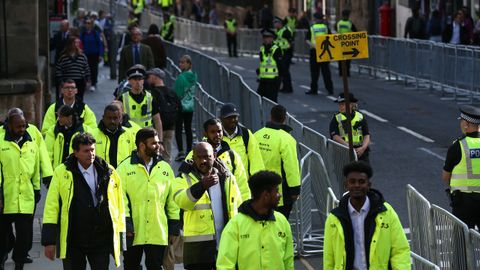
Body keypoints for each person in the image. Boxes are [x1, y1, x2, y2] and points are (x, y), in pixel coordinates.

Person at [41, 133, 126, 269]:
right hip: (74, 239)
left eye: (92, 150)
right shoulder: (62, 172)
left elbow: (119, 206)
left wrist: (121, 239)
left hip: (100, 238)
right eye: (86, 151)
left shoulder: (108, 171)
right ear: (75, 152)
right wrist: (49, 241)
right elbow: (52, 206)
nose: (91, 154)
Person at [323, 161, 411, 269]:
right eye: (352, 181)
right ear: (346, 185)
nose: (357, 185)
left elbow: (400, 250)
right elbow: (329, 257)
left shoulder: (387, 212)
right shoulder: (334, 219)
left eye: (361, 182)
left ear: (368, 185)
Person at [117, 128, 179, 270]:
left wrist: (174, 226)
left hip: (158, 230)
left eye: (158, 143)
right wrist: (126, 224)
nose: (158, 146)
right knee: (131, 266)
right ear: (142, 145)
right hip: (133, 232)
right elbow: (120, 199)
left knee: (155, 266)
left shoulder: (165, 168)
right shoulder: (124, 168)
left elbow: (172, 200)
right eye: (154, 143)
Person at [173, 142, 242, 270]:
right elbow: (182, 201)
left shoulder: (227, 177)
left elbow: (238, 203)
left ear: (214, 156)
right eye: (199, 157)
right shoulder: (183, 178)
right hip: (198, 250)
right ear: (193, 158)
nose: (203, 160)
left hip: (226, 245)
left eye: (207, 156)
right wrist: (201, 186)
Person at [216, 171, 294, 269]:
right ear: (266, 195)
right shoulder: (235, 225)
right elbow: (225, 264)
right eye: (277, 191)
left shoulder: (282, 221)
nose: (280, 195)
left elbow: (288, 260)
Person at [0, 109, 41, 270]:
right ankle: (2, 256)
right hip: (5, 197)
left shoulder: (31, 142)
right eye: (18, 126)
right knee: (2, 234)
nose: (22, 129)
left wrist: (37, 189)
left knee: (24, 236)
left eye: (24, 126)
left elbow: (35, 168)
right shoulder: (1, 141)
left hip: (26, 197)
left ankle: (19, 263)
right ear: (9, 125)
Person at [186, 118, 250, 201]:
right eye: (213, 132)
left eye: (219, 131)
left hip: (228, 208)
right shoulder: (193, 155)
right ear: (205, 134)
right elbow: (185, 181)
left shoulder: (232, 155)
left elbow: (242, 185)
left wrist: (245, 207)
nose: (217, 135)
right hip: (203, 205)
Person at [254, 105, 300, 219]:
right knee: (279, 225)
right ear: (285, 118)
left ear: (270, 116)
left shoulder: (256, 135)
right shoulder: (287, 139)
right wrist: (295, 189)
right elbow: (291, 166)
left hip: (258, 188)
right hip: (279, 193)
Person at [442, 105, 480, 229]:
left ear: (466, 125)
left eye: (461, 121)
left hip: (464, 202)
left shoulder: (458, 146)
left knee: (462, 241)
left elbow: (445, 177)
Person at [117, 65, 164, 150]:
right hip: (130, 138)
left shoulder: (150, 98)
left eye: (140, 79)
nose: (137, 82)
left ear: (143, 81)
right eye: (134, 79)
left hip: (148, 137)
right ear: (129, 81)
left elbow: (157, 121)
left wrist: (160, 142)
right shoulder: (123, 98)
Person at [219, 103, 264, 176]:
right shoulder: (215, 135)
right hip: (222, 182)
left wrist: (257, 181)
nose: (233, 120)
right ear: (221, 118)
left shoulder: (246, 134)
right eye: (229, 117)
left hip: (243, 183)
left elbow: (256, 159)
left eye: (235, 117)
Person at [147, 68, 180, 163]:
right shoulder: (172, 92)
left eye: (150, 76)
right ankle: (167, 174)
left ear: (155, 77)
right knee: (167, 156)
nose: (148, 79)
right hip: (170, 128)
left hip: (157, 128)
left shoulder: (152, 93)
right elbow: (179, 107)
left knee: (155, 154)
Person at [44, 105, 90, 170]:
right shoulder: (53, 131)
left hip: (78, 170)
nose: (58, 119)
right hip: (58, 170)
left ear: (69, 117)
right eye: (58, 116)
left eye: (61, 117)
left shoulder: (84, 130)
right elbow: (48, 153)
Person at [329, 93, 371, 164]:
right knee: (345, 174)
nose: (340, 106)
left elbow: (366, 135)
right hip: (343, 152)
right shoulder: (336, 118)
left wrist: (363, 148)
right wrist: (348, 147)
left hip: (360, 151)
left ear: (351, 104)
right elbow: (335, 136)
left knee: (364, 172)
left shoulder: (360, 117)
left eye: (343, 104)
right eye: (339, 104)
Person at [174, 55, 197, 161]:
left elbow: (176, 93)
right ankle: (189, 150)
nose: (180, 64)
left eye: (183, 62)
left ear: (189, 64)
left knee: (178, 128)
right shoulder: (194, 76)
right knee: (188, 128)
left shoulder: (181, 77)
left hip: (180, 106)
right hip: (190, 106)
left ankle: (181, 152)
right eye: (180, 62)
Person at [305, 12, 334, 95]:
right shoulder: (325, 27)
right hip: (324, 52)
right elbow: (331, 37)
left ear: (315, 19)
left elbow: (307, 39)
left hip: (314, 51)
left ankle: (314, 90)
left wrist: (313, 45)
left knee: (314, 72)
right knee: (326, 72)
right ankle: (330, 89)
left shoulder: (312, 27)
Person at [257, 28, 282, 102]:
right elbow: (262, 63)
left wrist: (281, 80)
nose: (265, 39)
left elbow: (280, 66)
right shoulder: (262, 49)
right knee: (259, 99)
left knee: (272, 101)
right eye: (264, 37)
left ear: (272, 38)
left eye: (267, 37)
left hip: (273, 80)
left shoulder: (276, 49)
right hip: (263, 80)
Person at [81, 18, 104, 92]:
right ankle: (87, 82)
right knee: (85, 69)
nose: (87, 25)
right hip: (85, 54)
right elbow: (81, 44)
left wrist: (100, 54)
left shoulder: (95, 33)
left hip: (94, 54)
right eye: (86, 23)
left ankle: (93, 83)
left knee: (94, 69)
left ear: (91, 25)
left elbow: (100, 44)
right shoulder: (83, 34)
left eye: (89, 23)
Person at [273, 16, 293, 93]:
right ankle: (284, 87)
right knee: (281, 71)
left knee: (285, 71)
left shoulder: (286, 31)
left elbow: (290, 42)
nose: (274, 24)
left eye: (275, 22)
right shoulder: (278, 31)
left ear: (280, 23)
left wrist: (286, 49)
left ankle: (288, 88)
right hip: (280, 53)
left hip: (286, 53)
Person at [337, 9, 357, 77]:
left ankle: (341, 72)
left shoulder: (339, 23)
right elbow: (355, 32)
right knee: (348, 59)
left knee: (341, 58)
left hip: (340, 43)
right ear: (348, 16)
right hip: (348, 43)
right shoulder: (350, 23)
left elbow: (337, 30)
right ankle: (347, 72)